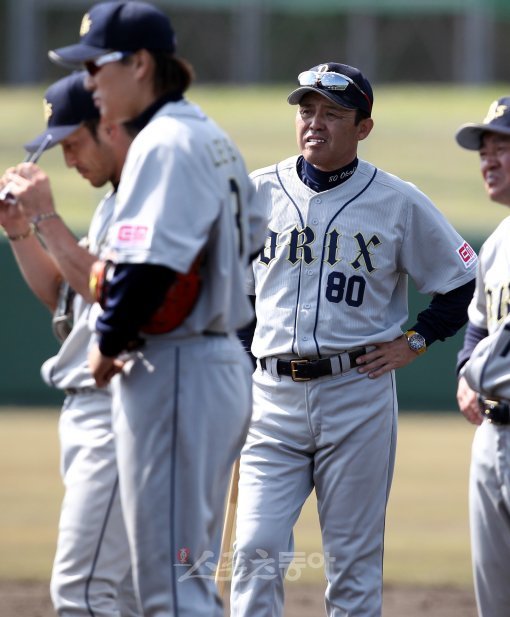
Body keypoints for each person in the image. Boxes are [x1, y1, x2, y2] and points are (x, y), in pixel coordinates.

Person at [229, 62, 478, 617]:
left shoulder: (397, 199)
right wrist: (245, 357)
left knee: (352, 565)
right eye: (307, 110)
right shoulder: (255, 192)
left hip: (356, 393)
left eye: (333, 113)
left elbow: (465, 281)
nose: (315, 122)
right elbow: (230, 291)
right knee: (254, 550)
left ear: (363, 127)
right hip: (271, 398)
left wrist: (415, 340)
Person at [48, 2, 267, 616]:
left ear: (140, 64)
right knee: (181, 581)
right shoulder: (208, 134)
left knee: (170, 591)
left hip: (177, 367)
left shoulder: (163, 142)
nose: (88, 83)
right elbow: (251, 235)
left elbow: (148, 270)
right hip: (212, 361)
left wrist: (108, 342)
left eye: (96, 67)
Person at [0, 72, 139, 617]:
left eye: (74, 143)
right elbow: (68, 301)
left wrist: (44, 218)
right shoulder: (112, 202)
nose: (68, 160)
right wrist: (19, 231)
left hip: (118, 407)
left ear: (108, 126)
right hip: (94, 412)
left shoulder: (146, 200)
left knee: (81, 594)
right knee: (129, 599)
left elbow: (115, 297)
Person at [455, 98, 510, 617]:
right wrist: (464, 374)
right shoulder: (496, 243)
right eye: (484, 150)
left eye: (502, 148)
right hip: (492, 436)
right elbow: (477, 323)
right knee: (494, 602)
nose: (488, 161)